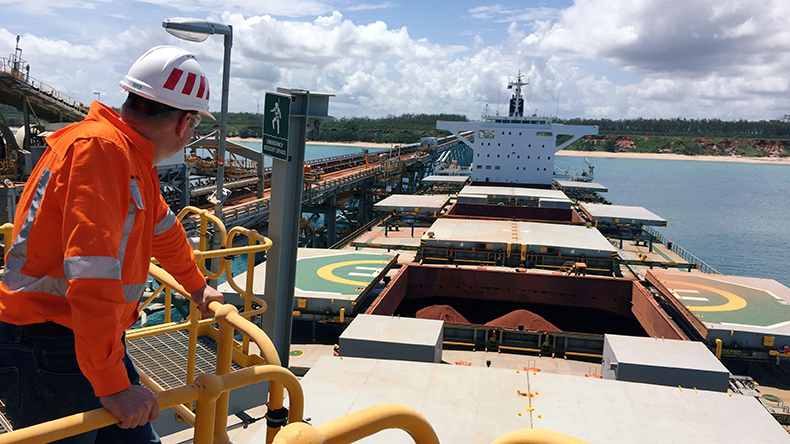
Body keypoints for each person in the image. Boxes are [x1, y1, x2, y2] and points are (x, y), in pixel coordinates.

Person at [0, 46, 224, 443]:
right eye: (194, 129)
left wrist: (196, 285)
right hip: (49, 343)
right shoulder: (101, 151)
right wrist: (112, 385)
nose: (190, 137)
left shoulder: (132, 156)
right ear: (183, 122)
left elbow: (164, 231)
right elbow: (92, 277)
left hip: (87, 339)